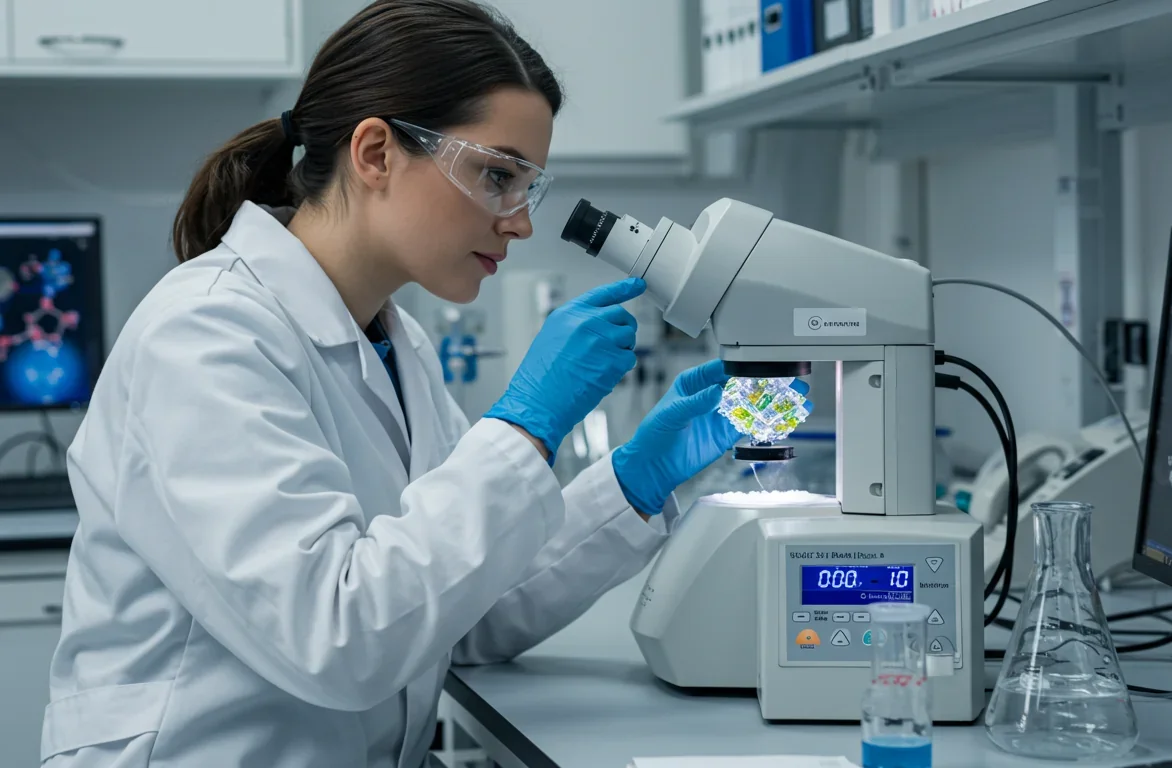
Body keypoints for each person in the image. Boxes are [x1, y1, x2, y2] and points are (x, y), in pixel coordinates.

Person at [39, 1, 808, 766]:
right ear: (374, 153)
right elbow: (338, 640)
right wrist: (524, 427)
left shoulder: (393, 340)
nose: (520, 222)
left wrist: (634, 481)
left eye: (526, 185)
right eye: (496, 175)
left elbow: (461, 609)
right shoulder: (204, 336)